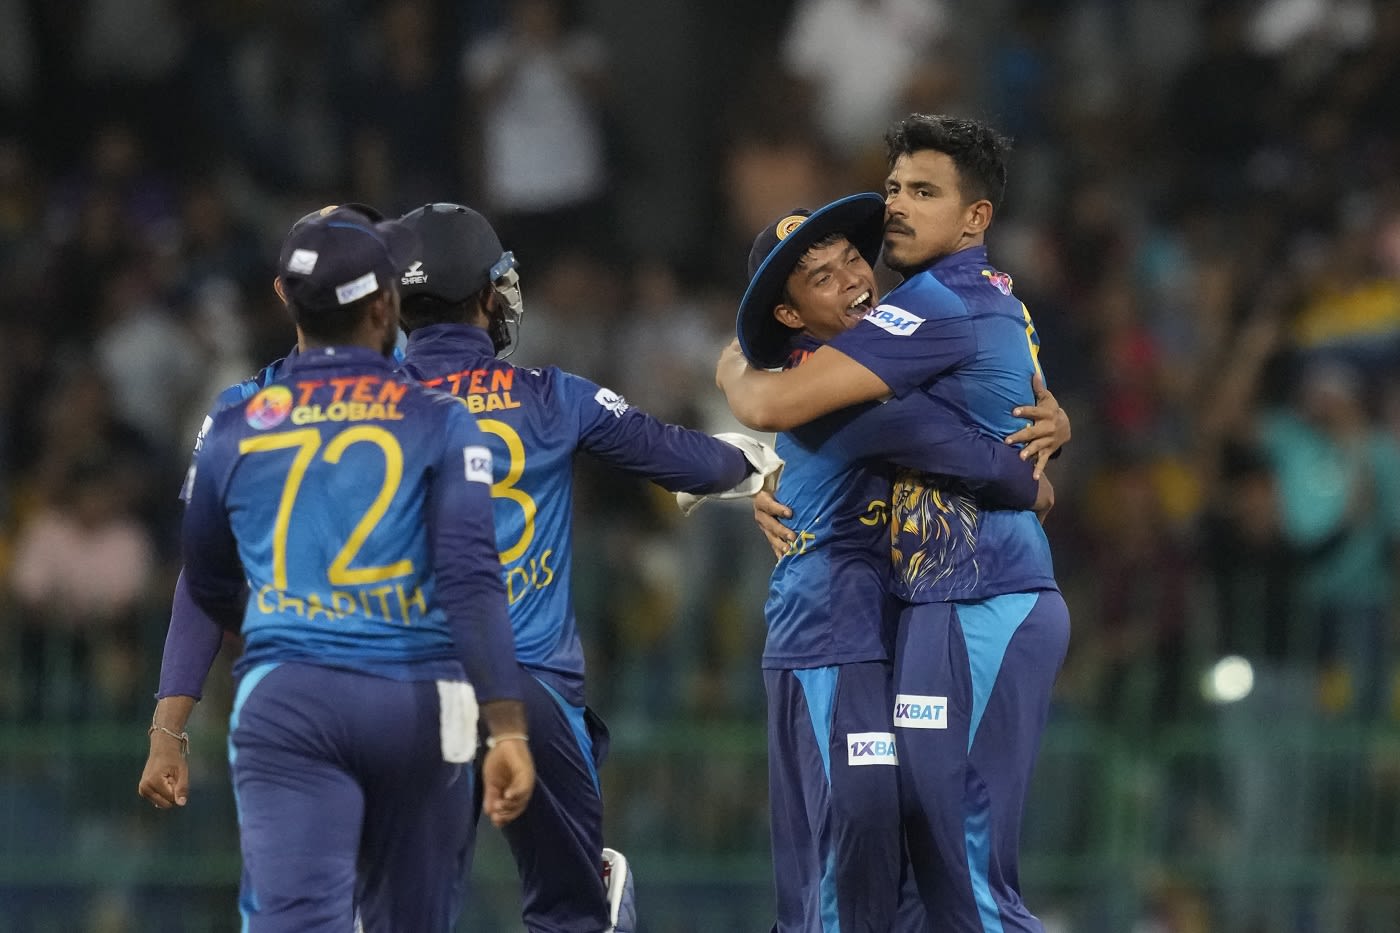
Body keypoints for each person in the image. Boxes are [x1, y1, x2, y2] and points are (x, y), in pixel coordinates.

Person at [717, 114, 1071, 931]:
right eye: (895, 190)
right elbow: (1008, 465)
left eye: (924, 191)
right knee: (909, 862)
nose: (898, 210)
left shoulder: (930, 312)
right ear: (792, 316)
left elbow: (1010, 467)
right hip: (878, 624)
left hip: (976, 599)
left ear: (976, 217)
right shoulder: (920, 328)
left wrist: (735, 360)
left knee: (949, 863)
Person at [393, 201, 781, 933]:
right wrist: (770, 465)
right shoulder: (550, 396)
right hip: (530, 690)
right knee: (573, 911)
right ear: (487, 295)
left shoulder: (368, 409)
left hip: (397, 690)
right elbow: (683, 456)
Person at [173, 206, 535, 932]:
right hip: (420, 699)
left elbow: (206, 577)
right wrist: (509, 728)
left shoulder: (238, 423)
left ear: (287, 300)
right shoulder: (439, 418)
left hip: (291, 692)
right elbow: (469, 578)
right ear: (386, 305)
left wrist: (289, 626)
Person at [139, 202, 389, 814]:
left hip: (395, 689)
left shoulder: (429, 397)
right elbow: (202, 575)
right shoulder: (238, 410)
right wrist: (167, 727)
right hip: (303, 696)